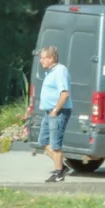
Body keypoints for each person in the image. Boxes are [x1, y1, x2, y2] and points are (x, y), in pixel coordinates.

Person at [37, 45, 72, 182]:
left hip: (58, 112)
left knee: (56, 144)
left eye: (43, 58)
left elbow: (65, 93)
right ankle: (62, 168)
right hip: (49, 112)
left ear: (51, 58)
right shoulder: (50, 72)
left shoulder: (60, 71)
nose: (41, 61)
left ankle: (59, 174)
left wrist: (56, 110)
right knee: (43, 141)